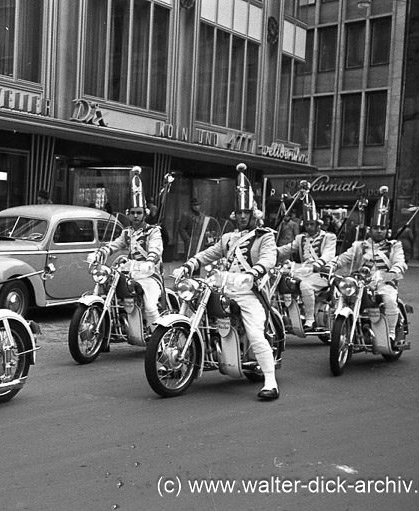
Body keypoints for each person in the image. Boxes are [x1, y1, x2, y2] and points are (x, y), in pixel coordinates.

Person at [172, 163, 280, 401]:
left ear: (254, 214)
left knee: (254, 332)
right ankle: (179, 357)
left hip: (249, 291)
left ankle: (270, 382)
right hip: (223, 287)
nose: (242, 217)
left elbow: (269, 258)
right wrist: (189, 264)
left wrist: (255, 272)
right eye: (239, 213)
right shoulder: (228, 237)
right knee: (191, 303)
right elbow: (209, 253)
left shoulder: (265, 236)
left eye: (246, 213)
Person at [87, 167, 164, 344]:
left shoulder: (153, 231)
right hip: (129, 273)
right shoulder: (127, 232)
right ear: (128, 214)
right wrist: (100, 253)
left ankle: (160, 343)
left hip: (149, 275)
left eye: (139, 213)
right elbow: (115, 245)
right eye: (133, 213)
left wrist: (150, 261)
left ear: (145, 213)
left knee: (151, 307)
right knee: (107, 288)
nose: (136, 216)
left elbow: (156, 248)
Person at [329, 187, 407, 347]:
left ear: (387, 230)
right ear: (370, 229)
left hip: (384, 283)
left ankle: (391, 333)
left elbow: (400, 262)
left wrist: (393, 272)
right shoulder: (360, 245)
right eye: (376, 228)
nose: (379, 231)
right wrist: (333, 264)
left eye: (382, 228)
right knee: (341, 298)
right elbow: (346, 257)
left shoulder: (394, 246)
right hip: (360, 283)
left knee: (390, 300)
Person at [276, 194, 337, 331]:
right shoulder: (300, 238)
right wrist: (272, 252)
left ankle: (310, 320)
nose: (309, 227)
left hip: (321, 273)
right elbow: (287, 248)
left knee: (305, 285)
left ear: (318, 224)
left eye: (312, 224)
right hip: (303, 271)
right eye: (307, 224)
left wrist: (318, 263)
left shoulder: (329, 237)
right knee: (280, 279)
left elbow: (329, 253)